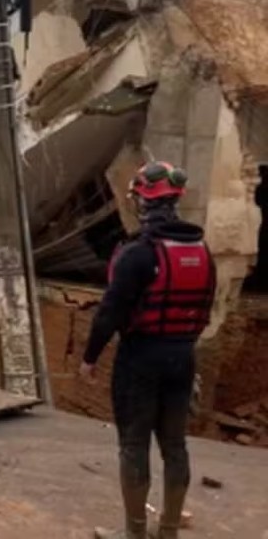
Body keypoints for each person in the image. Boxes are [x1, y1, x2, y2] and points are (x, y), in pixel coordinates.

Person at [80, 161, 216, 539]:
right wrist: (183, 346)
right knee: (175, 444)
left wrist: (90, 358)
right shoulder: (203, 252)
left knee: (134, 443)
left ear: (141, 202)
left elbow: (110, 311)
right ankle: (168, 530)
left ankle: (135, 533)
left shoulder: (138, 254)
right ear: (176, 201)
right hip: (183, 358)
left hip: (140, 359)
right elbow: (206, 309)